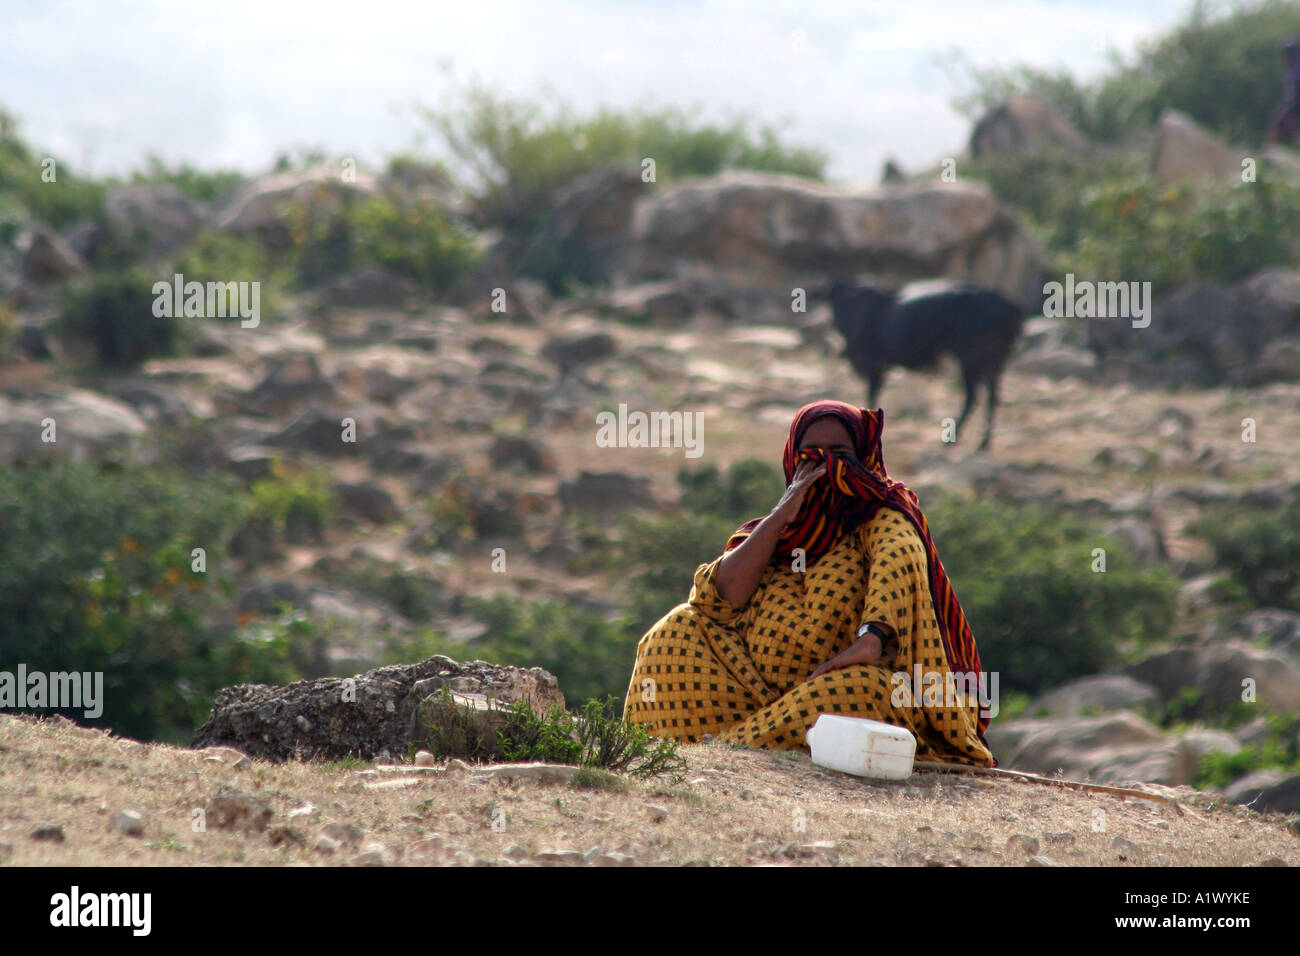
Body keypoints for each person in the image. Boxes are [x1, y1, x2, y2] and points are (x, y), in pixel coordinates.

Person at [622, 399, 996, 767]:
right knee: (674, 632)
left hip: (833, 689)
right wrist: (781, 515)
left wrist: (871, 638)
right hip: (748, 685)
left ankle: (724, 752)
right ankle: (705, 744)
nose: (826, 466)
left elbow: (899, 556)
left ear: (863, 456)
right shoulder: (774, 530)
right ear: (792, 460)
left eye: (840, 454)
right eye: (811, 456)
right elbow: (720, 598)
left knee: (868, 691)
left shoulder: (881, 514)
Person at [1266, 39, 1300, 145]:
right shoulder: (1293, 68)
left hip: (1295, 105)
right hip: (1294, 105)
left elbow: (1294, 93)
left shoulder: (1295, 70)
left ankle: (1268, 152)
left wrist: (1289, 107)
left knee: (1277, 124)